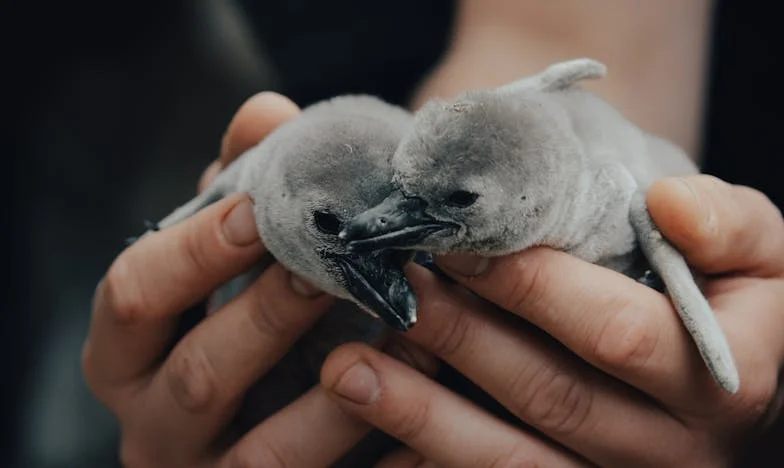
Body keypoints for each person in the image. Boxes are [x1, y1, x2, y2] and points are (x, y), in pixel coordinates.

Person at [82, 0, 784, 466]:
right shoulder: (275, 180)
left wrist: (765, 421)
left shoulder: (606, 181)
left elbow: (565, 46)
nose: (394, 236)